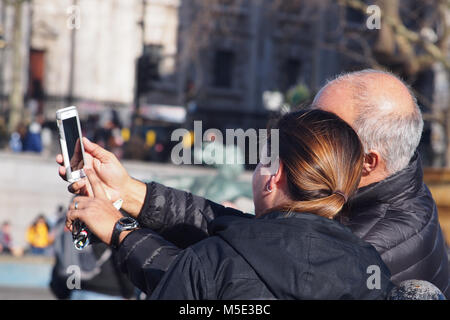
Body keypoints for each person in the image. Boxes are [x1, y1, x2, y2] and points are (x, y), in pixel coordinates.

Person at [59, 109, 394, 299]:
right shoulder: (370, 268)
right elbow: (229, 227)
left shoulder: (215, 262)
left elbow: (193, 283)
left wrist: (121, 231)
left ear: (273, 174)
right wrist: (127, 193)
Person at [312, 69, 449, 297]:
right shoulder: (406, 187)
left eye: (321, 131)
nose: (301, 136)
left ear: (367, 161)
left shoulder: (359, 250)